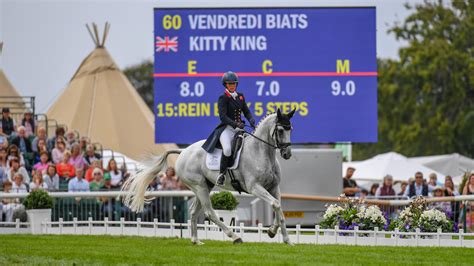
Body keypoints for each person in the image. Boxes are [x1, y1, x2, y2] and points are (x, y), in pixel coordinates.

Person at [201, 71, 256, 186]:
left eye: (234, 84)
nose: (232, 86)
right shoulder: (223, 98)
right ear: (225, 85)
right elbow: (223, 117)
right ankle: (222, 174)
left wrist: (251, 120)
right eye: (230, 84)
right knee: (227, 150)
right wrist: (236, 124)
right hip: (227, 129)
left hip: (239, 129)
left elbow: (246, 111)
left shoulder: (240, 96)